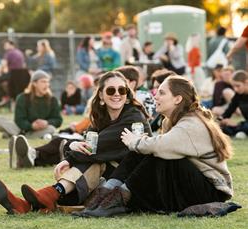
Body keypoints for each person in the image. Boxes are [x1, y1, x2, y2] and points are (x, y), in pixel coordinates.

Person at [0, 71, 152, 214]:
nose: (117, 94)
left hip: (131, 181)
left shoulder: (133, 118)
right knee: (77, 182)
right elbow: (90, 145)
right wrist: (71, 155)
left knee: (92, 163)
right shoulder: (100, 118)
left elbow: (94, 148)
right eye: (111, 90)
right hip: (106, 178)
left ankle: (45, 195)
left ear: (127, 95)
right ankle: (25, 205)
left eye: (121, 90)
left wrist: (69, 154)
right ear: (101, 96)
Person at [76, 75, 233, 217]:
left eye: (161, 93)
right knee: (141, 152)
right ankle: (106, 194)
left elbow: (162, 147)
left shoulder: (191, 123)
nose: (155, 96)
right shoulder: (171, 121)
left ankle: (117, 200)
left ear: (177, 99)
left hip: (210, 192)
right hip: (189, 184)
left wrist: (135, 141)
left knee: (157, 154)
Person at [0, 70, 62, 139]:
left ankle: (16, 135)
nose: (47, 85)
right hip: (22, 128)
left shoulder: (53, 100)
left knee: (51, 129)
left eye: (48, 82)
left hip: (40, 129)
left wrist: (47, 122)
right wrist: (31, 126)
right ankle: (21, 135)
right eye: (43, 82)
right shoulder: (22, 98)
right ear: (34, 83)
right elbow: (19, 120)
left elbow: (58, 120)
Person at [219, 70, 248, 139]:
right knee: (223, 129)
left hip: (246, 125)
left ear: (246, 82)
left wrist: (236, 124)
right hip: (245, 124)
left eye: (238, 86)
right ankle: (239, 129)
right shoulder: (238, 95)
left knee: (244, 126)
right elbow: (228, 111)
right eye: (234, 86)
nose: (235, 89)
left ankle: (239, 128)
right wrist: (220, 120)